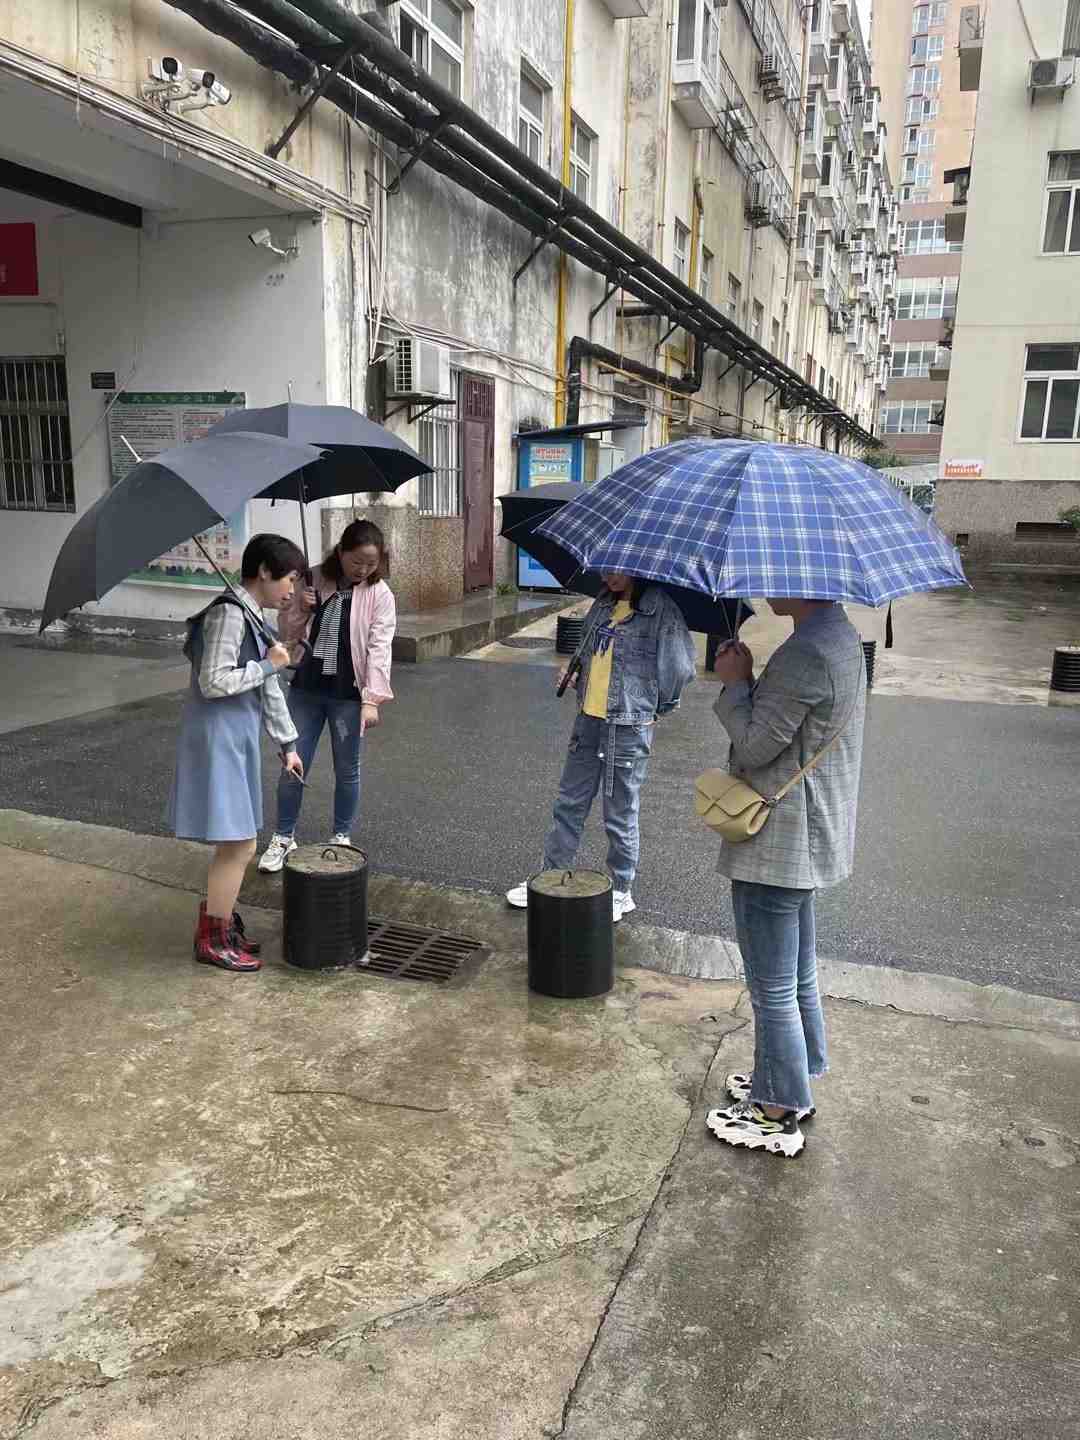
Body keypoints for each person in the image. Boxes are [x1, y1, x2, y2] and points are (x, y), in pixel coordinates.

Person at [705, 599, 866, 1158]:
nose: (769, 584)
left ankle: (776, 1109)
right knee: (796, 971)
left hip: (780, 841)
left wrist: (736, 684)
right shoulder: (839, 636)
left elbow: (755, 748)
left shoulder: (805, 653)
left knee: (771, 983)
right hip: (810, 832)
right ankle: (792, 1076)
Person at [506, 575, 697, 921]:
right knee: (569, 804)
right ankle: (551, 876)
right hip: (588, 721)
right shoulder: (603, 603)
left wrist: (656, 709)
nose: (607, 575)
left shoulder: (660, 610)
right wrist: (575, 673)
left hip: (627, 726)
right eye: (605, 568)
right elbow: (588, 653)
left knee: (620, 812)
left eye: (615, 569)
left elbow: (679, 668)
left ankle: (621, 889)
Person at [170, 533, 307, 973]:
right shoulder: (229, 614)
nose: (292, 590)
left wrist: (288, 744)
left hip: (236, 737)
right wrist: (269, 664)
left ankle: (221, 925)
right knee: (240, 844)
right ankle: (212, 937)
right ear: (264, 572)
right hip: (218, 738)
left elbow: (269, 689)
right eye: (289, 578)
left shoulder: (252, 615)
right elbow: (213, 682)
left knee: (239, 842)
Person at [258, 519, 396, 872]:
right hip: (307, 686)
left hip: (349, 694)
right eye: (356, 562)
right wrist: (300, 608)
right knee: (293, 763)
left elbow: (380, 647)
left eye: (371, 563)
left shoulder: (380, 594)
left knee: (347, 769)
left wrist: (372, 699)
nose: (363, 570)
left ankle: (341, 836)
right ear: (340, 552)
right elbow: (287, 633)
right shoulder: (312, 578)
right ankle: (284, 836)